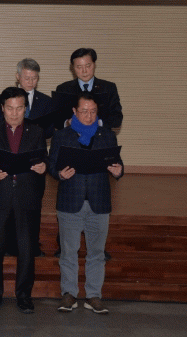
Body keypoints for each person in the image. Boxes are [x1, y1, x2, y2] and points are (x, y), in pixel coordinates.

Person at [48, 93, 123, 314]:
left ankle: (94, 295)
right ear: (74, 111)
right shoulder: (61, 136)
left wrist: (119, 171)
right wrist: (59, 174)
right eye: (84, 111)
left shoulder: (107, 135)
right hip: (70, 201)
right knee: (68, 252)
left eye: (93, 112)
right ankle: (69, 294)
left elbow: (118, 163)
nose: (89, 116)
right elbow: (51, 165)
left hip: (99, 201)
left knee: (97, 253)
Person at [0, 87, 47, 314]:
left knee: (27, 250)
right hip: (0, 196)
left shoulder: (37, 131)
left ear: (25, 109)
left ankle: (24, 296)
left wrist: (43, 166)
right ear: (2, 108)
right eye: (10, 108)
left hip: (27, 196)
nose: (14, 113)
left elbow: (44, 159)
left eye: (19, 108)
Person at [6, 58, 54, 259]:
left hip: (35, 159)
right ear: (18, 77)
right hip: (12, 157)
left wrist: (38, 129)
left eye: (35, 78)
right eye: (27, 78)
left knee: (33, 204)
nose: (31, 82)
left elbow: (50, 130)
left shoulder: (46, 101)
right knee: (10, 202)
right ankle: (10, 245)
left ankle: (32, 245)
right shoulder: (8, 98)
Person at [55, 48, 122, 129]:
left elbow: (117, 119)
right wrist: (68, 123)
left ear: (94, 65)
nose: (84, 71)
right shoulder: (63, 89)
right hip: (72, 136)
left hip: (101, 135)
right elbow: (57, 121)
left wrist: (98, 122)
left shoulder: (108, 88)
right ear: (73, 68)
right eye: (79, 67)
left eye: (88, 66)